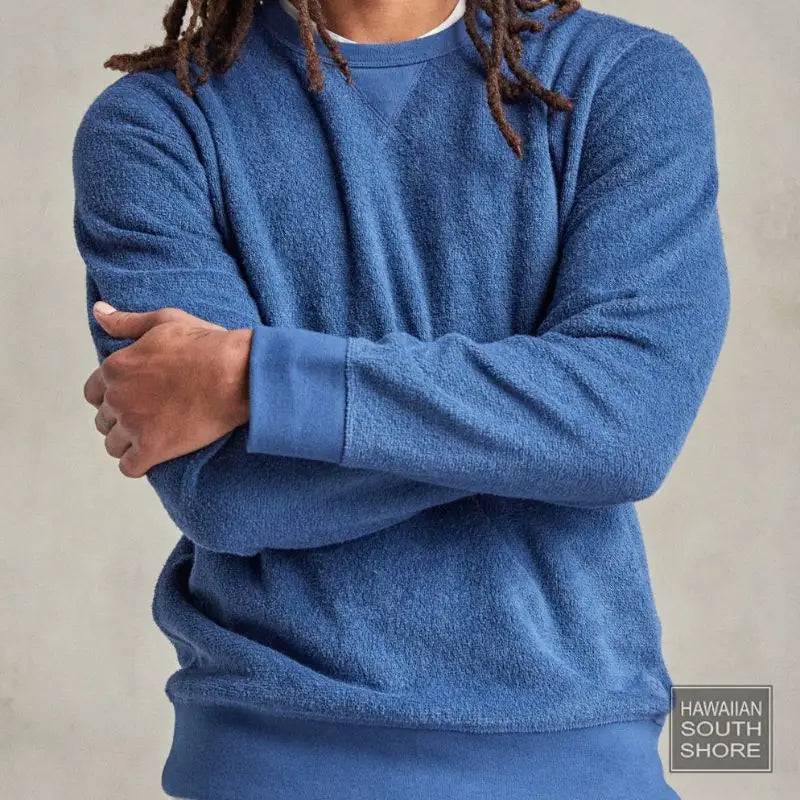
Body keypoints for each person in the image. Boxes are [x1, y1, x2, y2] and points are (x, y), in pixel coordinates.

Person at [73, 1, 729, 798]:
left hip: (572, 756)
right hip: (273, 762)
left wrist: (258, 378)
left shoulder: (620, 80)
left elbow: (626, 428)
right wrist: (545, 428)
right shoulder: (154, 126)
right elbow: (228, 492)